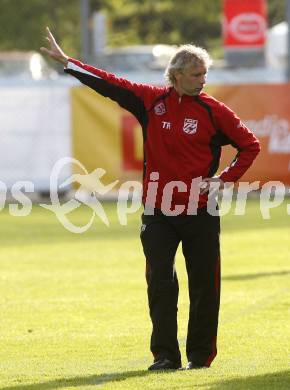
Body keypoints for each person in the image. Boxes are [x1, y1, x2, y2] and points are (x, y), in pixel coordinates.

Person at [41, 27, 260, 371]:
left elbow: (250, 145)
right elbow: (110, 83)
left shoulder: (214, 111)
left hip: (200, 209)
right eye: (196, 74)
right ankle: (165, 355)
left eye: (205, 73)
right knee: (160, 281)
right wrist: (69, 62)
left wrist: (223, 180)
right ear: (176, 75)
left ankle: (200, 357)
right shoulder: (150, 101)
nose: (203, 80)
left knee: (205, 284)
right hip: (158, 208)